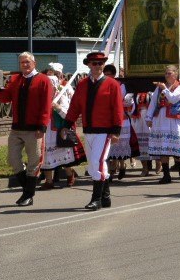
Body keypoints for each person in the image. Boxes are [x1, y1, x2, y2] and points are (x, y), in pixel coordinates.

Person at [62, 51, 124, 210]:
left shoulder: (112, 84)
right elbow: (75, 106)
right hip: (89, 130)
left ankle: (96, 199)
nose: (97, 66)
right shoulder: (82, 84)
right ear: (88, 65)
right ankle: (106, 196)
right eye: (94, 63)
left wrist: (116, 131)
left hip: (105, 131)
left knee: (98, 162)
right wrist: (66, 124)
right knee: (93, 164)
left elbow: (118, 109)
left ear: (104, 65)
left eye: (100, 63)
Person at [0, 52, 53, 207]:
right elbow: (5, 98)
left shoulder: (43, 80)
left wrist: (42, 126)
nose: (25, 65)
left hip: (34, 129)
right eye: (22, 62)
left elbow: (46, 105)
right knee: (13, 159)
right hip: (17, 128)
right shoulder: (15, 79)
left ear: (34, 63)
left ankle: (28, 195)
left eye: (27, 62)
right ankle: (28, 188)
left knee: (34, 162)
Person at [39, 66, 84, 190]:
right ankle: (49, 181)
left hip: (58, 128)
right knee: (46, 154)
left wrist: (57, 107)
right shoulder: (41, 95)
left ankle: (70, 175)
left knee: (63, 152)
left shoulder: (62, 94)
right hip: (46, 128)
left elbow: (68, 113)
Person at [147, 65, 180, 183]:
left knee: (176, 145)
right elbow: (153, 103)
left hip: (173, 119)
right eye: (166, 73)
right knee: (162, 146)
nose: (167, 75)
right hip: (160, 119)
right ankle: (166, 175)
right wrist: (149, 117)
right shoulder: (160, 88)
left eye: (169, 73)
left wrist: (165, 89)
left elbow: (173, 99)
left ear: (176, 74)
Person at [104, 64, 133, 179]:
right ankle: (111, 169)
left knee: (120, 143)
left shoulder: (121, 85)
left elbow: (122, 100)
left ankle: (122, 165)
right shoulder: (102, 85)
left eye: (109, 75)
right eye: (105, 74)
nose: (107, 77)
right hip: (108, 119)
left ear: (114, 75)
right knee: (110, 145)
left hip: (121, 118)